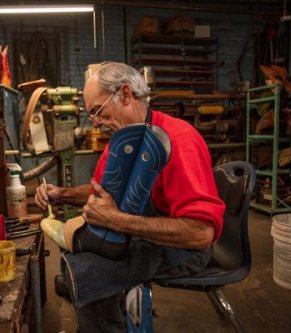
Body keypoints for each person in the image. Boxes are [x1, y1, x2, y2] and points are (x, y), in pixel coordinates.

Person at [34, 62, 225, 333]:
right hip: (144, 230)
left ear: (125, 95)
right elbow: (101, 191)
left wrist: (118, 221)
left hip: (185, 247)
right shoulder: (123, 139)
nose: (96, 124)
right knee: (80, 255)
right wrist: (61, 194)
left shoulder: (178, 141)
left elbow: (201, 233)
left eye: (97, 112)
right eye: (92, 116)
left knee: (89, 273)